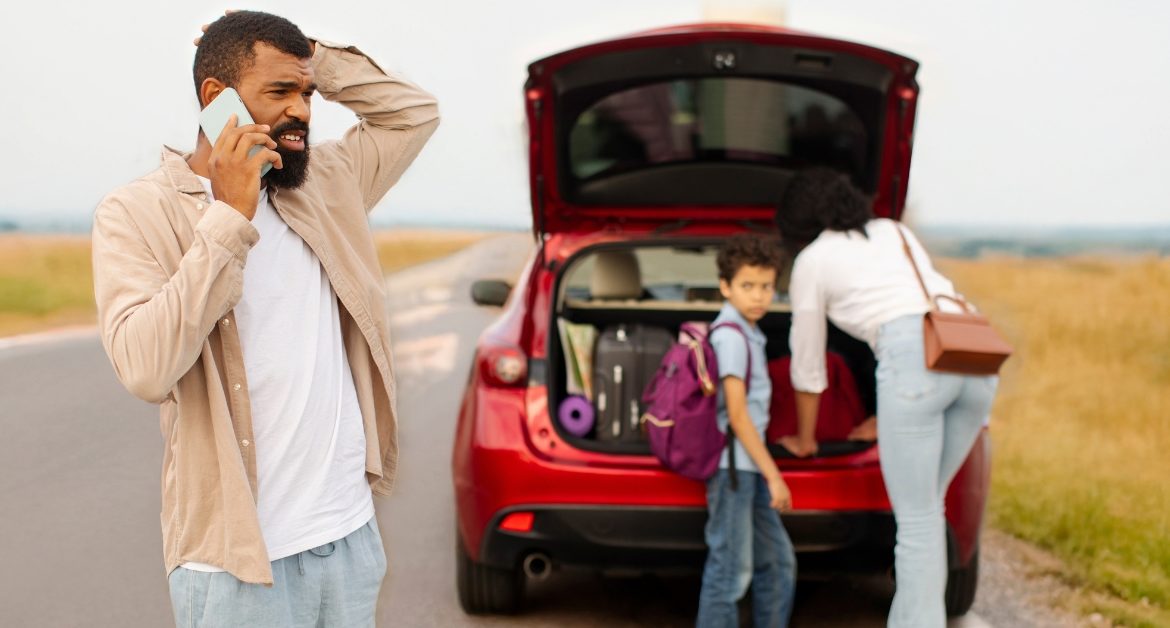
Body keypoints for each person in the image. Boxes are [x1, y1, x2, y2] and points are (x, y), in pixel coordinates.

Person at [90, 10, 438, 627]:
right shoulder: (135, 213)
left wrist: (313, 57)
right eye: (280, 92)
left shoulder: (327, 182)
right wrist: (229, 217)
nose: (301, 110)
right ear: (215, 100)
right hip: (236, 568)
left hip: (348, 539)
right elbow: (145, 369)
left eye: (307, 94)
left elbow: (414, 114)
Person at [776, 168, 998, 627]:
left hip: (913, 362)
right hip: (973, 358)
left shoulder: (813, 259)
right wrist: (893, 413)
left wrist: (806, 438)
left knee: (916, 520)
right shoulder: (893, 231)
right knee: (928, 510)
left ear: (797, 220)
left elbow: (808, 364)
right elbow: (917, 298)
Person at [697, 234, 798, 628]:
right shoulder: (731, 337)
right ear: (725, 287)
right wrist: (775, 477)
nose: (759, 296)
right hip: (734, 471)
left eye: (767, 286)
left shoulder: (748, 332)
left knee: (777, 562)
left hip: (748, 468)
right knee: (729, 573)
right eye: (747, 286)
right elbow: (738, 416)